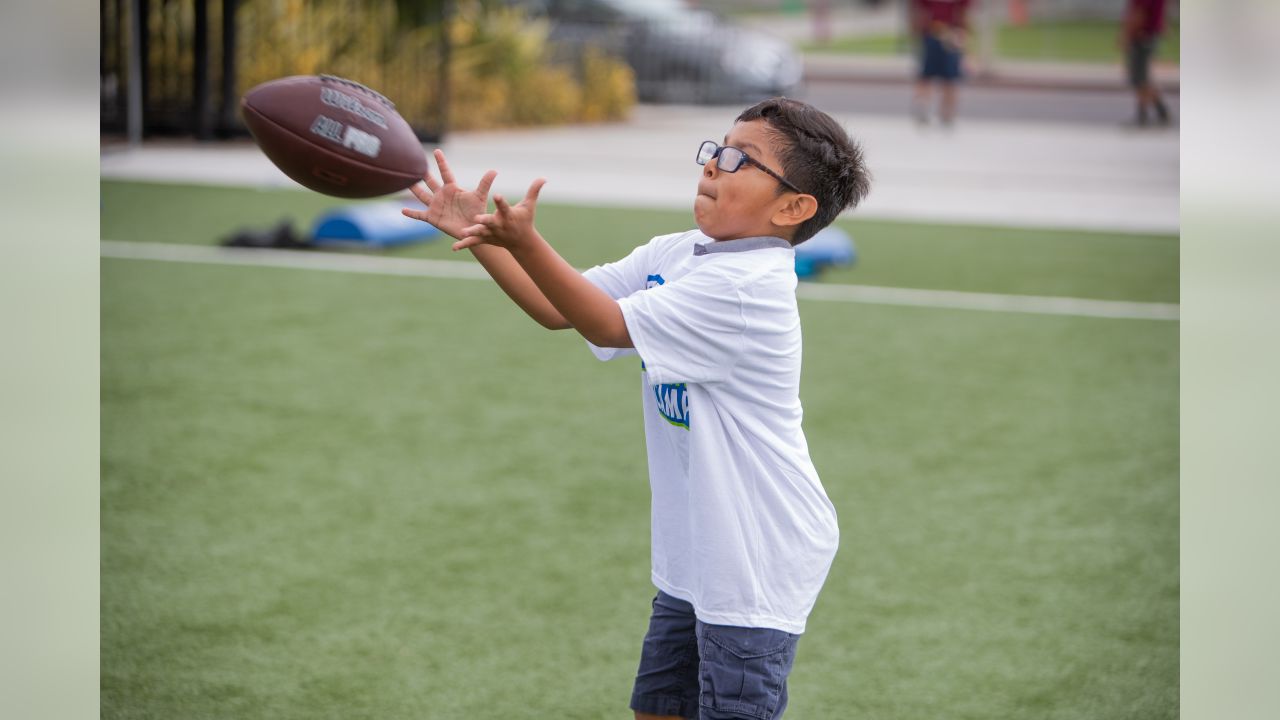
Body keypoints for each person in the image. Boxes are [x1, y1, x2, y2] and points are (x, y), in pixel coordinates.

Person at [402, 97, 871, 719]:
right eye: (716, 148)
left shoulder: (745, 290)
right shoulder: (680, 253)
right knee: (657, 709)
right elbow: (558, 310)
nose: (713, 165)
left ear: (793, 207)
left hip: (755, 556)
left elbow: (604, 323)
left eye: (741, 160)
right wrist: (477, 234)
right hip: (697, 549)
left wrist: (527, 239)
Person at [911, 0, 971, 126]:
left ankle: (947, 113)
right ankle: (923, 107)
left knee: (949, 77)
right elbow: (919, 9)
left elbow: (963, 11)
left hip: (951, 34)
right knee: (927, 75)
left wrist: (962, 33)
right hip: (932, 32)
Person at [1120, 0, 1172, 126]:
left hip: (1141, 36)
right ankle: (1158, 112)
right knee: (1142, 78)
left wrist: (1126, 35)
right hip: (1150, 35)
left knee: (1139, 78)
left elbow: (1140, 13)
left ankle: (1146, 115)